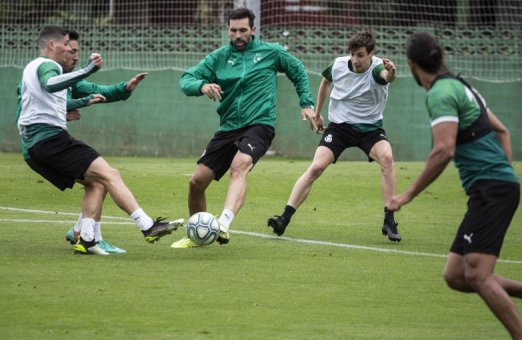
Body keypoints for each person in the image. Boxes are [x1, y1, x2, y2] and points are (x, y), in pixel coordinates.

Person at [388, 32, 522, 339]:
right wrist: (504, 173)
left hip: (491, 189)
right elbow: (502, 130)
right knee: (455, 274)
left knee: (479, 276)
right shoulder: (463, 87)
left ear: (412, 65)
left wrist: (408, 194)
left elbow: (444, 149)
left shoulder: (440, 93)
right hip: (495, 186)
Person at [17, 25, 183, 256]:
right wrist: (89, 69)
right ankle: (147, 226)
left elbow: (49, 100)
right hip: (49, 140)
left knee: (97, 183)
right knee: (111, 175)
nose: (70, 51)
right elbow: (50, 86)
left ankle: (86, 239)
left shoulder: (37, 69)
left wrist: (106, 94)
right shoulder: (48, 66)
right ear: (52, 45)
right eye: (66, 45)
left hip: (41, 144)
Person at [170, 7, 318, 248]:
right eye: (233, 30)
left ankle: (223, 225)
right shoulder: (218, 57)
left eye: (242, 30)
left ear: (253, 30)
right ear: (228, 30)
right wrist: (201, 86)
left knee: (239, 166)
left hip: (260, 124)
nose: (237, 35)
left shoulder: (270, 52)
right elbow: (186, 79)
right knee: (196, 182)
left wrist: (307, 104)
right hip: (228, 127)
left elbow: (298, 71)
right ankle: (197, 234)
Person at [266, 30, 400, 241]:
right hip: (339, 128)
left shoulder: (377, 70)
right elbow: (326, 82)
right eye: (353, 54)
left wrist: (391, 72)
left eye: (361, 55)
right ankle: (284, 218)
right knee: (316, 167)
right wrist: (318, 113)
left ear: (371, 54)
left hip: (370, 129)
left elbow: (386, 76)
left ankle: (389, 220)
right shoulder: (338, 64)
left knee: (387, 159)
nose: (356, 60)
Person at [61, 29, 150, 254]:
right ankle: (144, 226)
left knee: (99, 181)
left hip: (53, 143)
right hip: (45, 146)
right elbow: (30, 105)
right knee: (105, 176)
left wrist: (125, 88)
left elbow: (98, 91)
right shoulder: (44, 76)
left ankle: (84, 233)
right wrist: (66, 109)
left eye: (77, 51)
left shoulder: (71, 81)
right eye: (71, 51)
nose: (75, 56)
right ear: (56, 48)